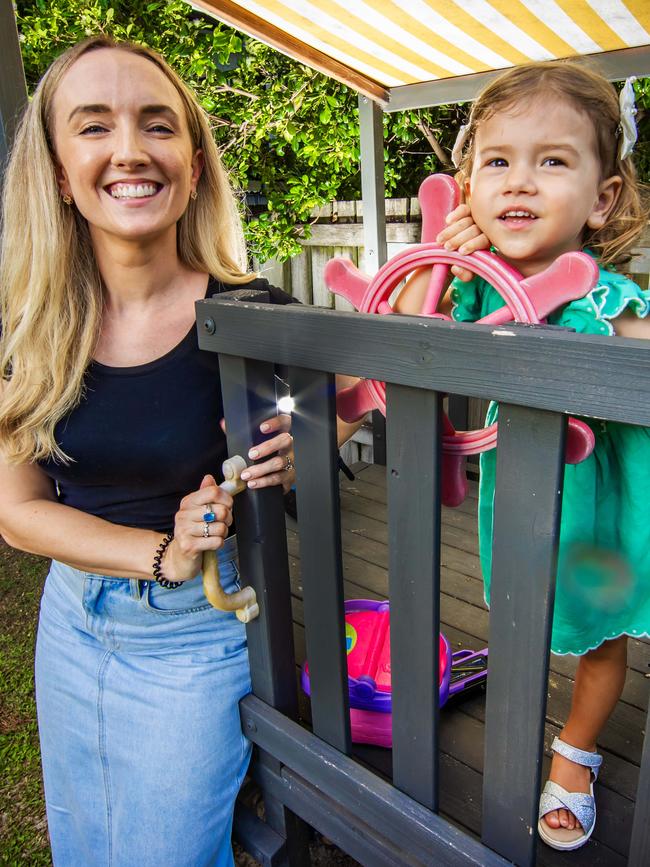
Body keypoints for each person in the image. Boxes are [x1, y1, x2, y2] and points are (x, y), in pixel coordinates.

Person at [0, 36, 316, 866]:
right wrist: (163, 551)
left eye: (157, 125)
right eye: (94, 126)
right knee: (83, 845)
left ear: (196, 162)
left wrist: (296, 443)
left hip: (197, 637)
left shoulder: (255, 313)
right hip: (71, 618)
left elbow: (331, 406)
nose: (130, 151)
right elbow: (19, 511)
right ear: (59, 173)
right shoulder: (28, 329)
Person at [397, 61, 649, 851]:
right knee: (521, 618)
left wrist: (606, 336)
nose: (520, 182)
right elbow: (404, 340)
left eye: (553, 161)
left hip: (602, 503)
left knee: (601, 635)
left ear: (601, 198)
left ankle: (574, 751)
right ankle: (523, 725)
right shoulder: (474, 287)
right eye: (498, 161)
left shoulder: (607, 295)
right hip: (520, 496)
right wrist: (439, 258)